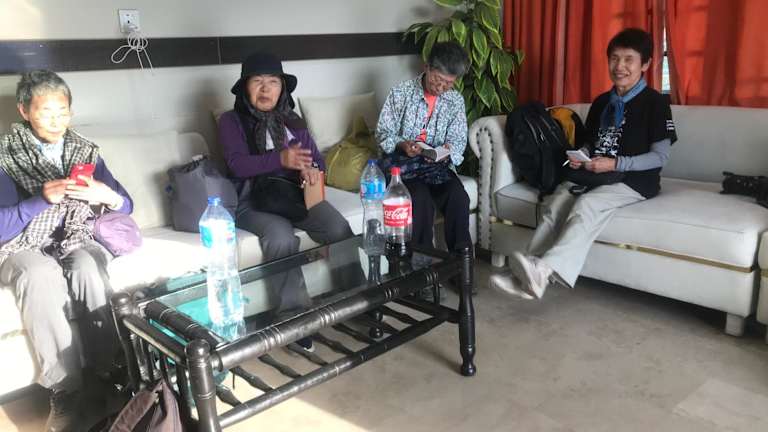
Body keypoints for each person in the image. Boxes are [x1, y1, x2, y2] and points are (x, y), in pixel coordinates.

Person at [490, 28, 677, 300]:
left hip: (634, 180)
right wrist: (581, 155)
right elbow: (591, 141)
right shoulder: (602, 102)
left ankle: (541, 271)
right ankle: (529, 274)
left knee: (586, 206)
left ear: (646, 64)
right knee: (555, 204)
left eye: (629, 59)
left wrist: (615, 164)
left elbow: (659, 157)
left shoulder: (656, 104)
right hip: (594, 174)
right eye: (614, 58)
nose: (620, 66)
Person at [0, 70, 134, 431]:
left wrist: (105, 195)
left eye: (63, 112)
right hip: (20, 245)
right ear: (24, 111)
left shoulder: (83, 151)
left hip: (74, 237)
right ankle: (66, 391)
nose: (56, 121)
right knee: (39, 273)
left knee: (88, 266)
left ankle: (110, 374)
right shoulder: (5, 157)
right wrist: (40, 200)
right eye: (46, 112)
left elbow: (126, 205)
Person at [218, 53, 355, 349]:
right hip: (252, 200)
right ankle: (294, 321)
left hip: (294, 194)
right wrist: (280, 159)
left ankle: (355, 299)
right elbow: (236, 165)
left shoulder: (293, 121)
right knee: (280, 237)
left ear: (282, 88)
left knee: (337, 226)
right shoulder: (231, 121)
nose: (265, 89)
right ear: (245, 88)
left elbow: (317, 160)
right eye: (257, 82)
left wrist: (311, 169)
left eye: (273, 82)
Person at [375, 41, 473, 256]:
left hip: (436, 168)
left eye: (448, 83)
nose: (441, 87)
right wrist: (402, 144)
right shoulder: (400, 93)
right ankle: (422, 267)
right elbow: (383, 133)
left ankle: (461, 264)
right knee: (420, 201)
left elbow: (458, 141)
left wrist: (446, 151)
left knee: (458, 197)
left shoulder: (455, 100)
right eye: (438, 79)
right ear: (427, 67)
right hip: (406, 168)